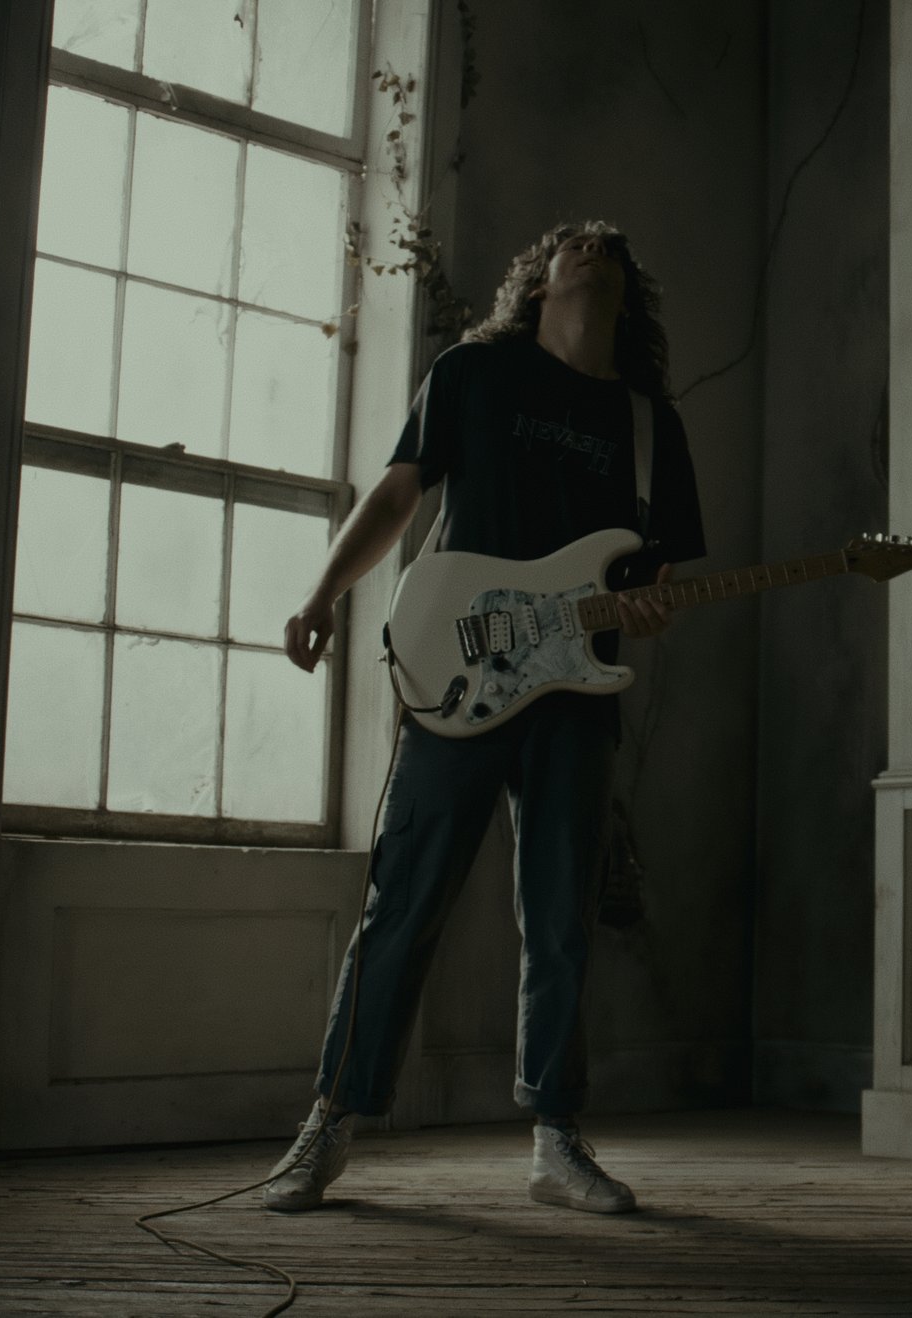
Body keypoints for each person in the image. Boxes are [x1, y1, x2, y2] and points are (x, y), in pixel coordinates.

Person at [261, 222, 707, 1215]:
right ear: (538, 280)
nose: (591, 245)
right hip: (456, 674)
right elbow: (397, 495)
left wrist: (650, 607)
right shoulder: (472, 372)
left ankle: (556, 1139)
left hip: (574, 690)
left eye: (609, 245)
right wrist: (323, 593)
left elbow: (656, 575)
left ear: (627, 291)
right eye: (571, 241)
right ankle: (329, 1121)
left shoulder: (649, 425)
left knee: (560, 919)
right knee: (403, 902)